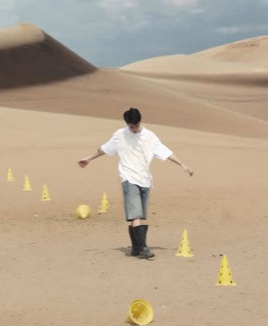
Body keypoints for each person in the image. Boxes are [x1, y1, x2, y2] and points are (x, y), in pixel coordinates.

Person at [78, 107, 193, 259]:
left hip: (145, 179)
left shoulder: (149, 136)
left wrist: (182, 164)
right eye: (131, 127)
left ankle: (136, 248)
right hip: (128, 178)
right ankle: (143, 248)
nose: (134, 129)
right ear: (127, 124)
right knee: (135, 214)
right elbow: (103, 149)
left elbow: (165, 151)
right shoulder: (120, 135)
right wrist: (88, 158)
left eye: (136, 126)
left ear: (140, 122)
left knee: (139, 215)